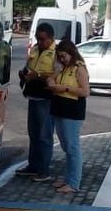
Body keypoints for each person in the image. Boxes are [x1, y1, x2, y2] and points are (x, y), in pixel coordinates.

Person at [46, 39, 90, 194]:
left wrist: (64, 88)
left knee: (72, 147)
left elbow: (85, 92)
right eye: (60, 56)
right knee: (66, 146)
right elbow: (51, 78)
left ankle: (73, 183)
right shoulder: (63, 67)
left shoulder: (79, 69)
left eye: (64, 56)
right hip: (59, 109)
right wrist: (52, 81)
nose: (62, 59)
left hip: (72, 112)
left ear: (71, 53)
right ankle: (68, 178)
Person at [16, 23, 57, 182]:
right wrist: (24, 74)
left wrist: (37, 75)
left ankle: (44, 170)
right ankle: (33, 166)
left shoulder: (56, 52)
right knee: (33, 134)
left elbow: (57, 75)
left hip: (46, 99)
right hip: (32, 96)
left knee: (44, 135)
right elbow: (29, 67)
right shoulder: (34, 49)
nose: (40, 42)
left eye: (43, 39)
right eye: (38, 39)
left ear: (51, 38)